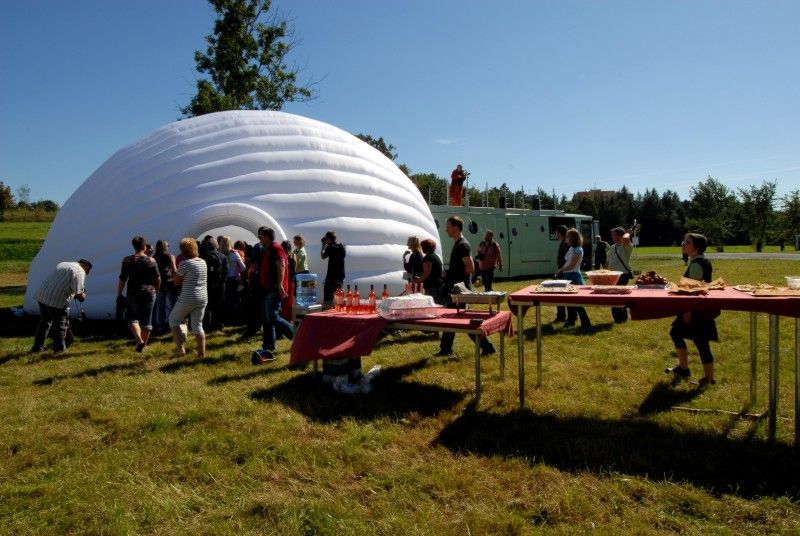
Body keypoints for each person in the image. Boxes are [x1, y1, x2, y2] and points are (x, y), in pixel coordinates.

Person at [436, 216, 496, 357]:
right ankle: (446, 349)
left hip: (460, 291)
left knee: (466, 323)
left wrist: (453, 279)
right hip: (457, 290)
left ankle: (487, 347)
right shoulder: (459, 244)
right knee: (451, 319)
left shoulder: (463, 245)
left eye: (448, 227)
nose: (446, 230)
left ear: (456, 227)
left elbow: (470, 267)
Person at [666, 233, 718, 386]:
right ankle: (690, 372)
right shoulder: (701, 260)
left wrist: (688, 311)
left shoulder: (696, 264)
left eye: (687, 242)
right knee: (691, 338)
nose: (683, 244)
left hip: (695, 310)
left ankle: (706, 378)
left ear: (696, 247)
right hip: (700, 308)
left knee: (695, 340)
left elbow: (693, 291)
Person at [31, 259, 92, 353]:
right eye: (88, 270)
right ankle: (59, 350)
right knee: (60, 326)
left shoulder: (63, 264)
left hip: (42, 295)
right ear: (86, 266)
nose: (87, 273)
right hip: (56, 299)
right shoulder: (80, 271)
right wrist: (83, 295)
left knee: (45, 322)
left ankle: (37, 348)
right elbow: (79, 293)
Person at [117, 236, 161, 352]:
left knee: (133, 317)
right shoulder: (151, 260)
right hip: (149, 291)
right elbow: (157, 278)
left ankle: (139, 340)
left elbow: (123, 278)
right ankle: (143, 346)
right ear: (145, 246)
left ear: (134, 246)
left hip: (133, 291)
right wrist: (157, 289)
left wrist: (119, 293)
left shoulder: (127, 260)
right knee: (147, 319)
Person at [169, 238, 208, 358]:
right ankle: (201, 354)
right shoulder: (202, 262)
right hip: (202, 297)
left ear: (183, 250)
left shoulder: (184, 263)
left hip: (188, 297)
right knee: (197, 325)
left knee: (173, 319)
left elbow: (177, 282)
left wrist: (174, 265)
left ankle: (180, 349)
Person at [258, 228, 294, 352]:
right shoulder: (270, 249)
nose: (260, 239)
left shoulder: (276, 248)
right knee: (268, 319)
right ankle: (268, 347)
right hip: (269, 288)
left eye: (261, 237)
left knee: (273, 317)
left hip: (274, 288)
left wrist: (280, 285)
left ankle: (296, 336)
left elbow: (281, 265)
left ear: (267, 237)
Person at [556, 228, 591, 329]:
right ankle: (571, 321)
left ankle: (586, 322)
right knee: (570, 301)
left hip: (574, 277)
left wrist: (561, 269)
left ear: (572, 238)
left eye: (567, 236)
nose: (566, 238)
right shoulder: (572, 248)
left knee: (576, 302)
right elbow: (567, 262)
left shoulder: (578, 249)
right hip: (568, 276)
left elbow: (572, 266)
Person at [201, 237, 228, 332]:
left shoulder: (204, 257)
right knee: (219, 305)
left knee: (207, 306)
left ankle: (207, 325)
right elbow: (225, 272)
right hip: (220, 285)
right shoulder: (223, 257)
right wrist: (221, 282)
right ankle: (219, 325)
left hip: (208, 284)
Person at [607, 226, 633, 323]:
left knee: (616, 296)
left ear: (620, 235)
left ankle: (619, 319)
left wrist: (628, 233)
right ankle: (621, 317)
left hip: (622, 275)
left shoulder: (626, 246)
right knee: (615, 296)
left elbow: (625, 239)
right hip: (612, 276)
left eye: (613, 234)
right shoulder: (612, 247)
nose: (611, 236)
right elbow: (607, 261)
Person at [153, 240, 177, 333]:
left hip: (159, 283)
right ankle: (175, 323)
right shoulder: (170, 256)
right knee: (174, 304)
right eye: (167, 245)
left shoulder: (153, 258)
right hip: (169, 282)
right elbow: (174, 270)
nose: (168, 247)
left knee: (160, 305)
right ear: (164, 247)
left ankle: (161, 325)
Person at [220, 236, 246, 325]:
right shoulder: (234, 254)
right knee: (235, 300)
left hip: (223, 279)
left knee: (226, 299)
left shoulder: (219, 254)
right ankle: (235, 319)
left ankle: (226, 319)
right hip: (234, 278)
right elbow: (243, 267)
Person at [321, 230, 346, 308]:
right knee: (340, 296)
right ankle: (340, 310)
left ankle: (327, 311)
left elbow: (323, 256)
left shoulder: (330, 247)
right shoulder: (342, 246)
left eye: (326, 238)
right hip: (340, 276)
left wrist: (323, 247)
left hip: (331, 276)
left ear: (329, 239)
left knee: (328, 297)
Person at [418, 238, 444, 304]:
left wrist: (417, 280)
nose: (421, 249)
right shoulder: (436, 256)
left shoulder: (428, 257)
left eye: (422, 247)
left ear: (425, 247)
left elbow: (426, 273)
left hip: (432, 287)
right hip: (438, 285)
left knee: (433, 304)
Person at [552, 225, 570, 323]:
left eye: (556, 232)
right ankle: (561, 315)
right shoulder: (563, 243)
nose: (556, 234)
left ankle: (564, 316)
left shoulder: (566, 244)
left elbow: (566, 260)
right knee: (559, 294)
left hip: (564, 273)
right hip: (561, 272)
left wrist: (561, 270)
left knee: (563, 295)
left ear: (560, 232)